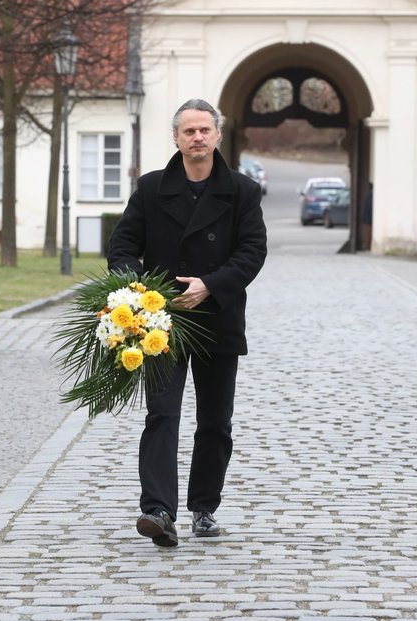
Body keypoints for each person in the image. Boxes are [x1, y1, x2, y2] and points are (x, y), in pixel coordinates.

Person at [107, 98, 268, 547]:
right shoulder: (152, 188)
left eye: (204, 130)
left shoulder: (242, 191)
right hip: (161, 324)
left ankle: (203, 508)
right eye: (188, 131)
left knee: (216, 422)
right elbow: (122, 247)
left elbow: (252, 252)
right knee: (162, 415)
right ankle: (157, 509)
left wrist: (210, 285)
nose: (197, 138)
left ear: (218, 135)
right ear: (176, 139)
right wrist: (139, 294)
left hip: (218, 319)